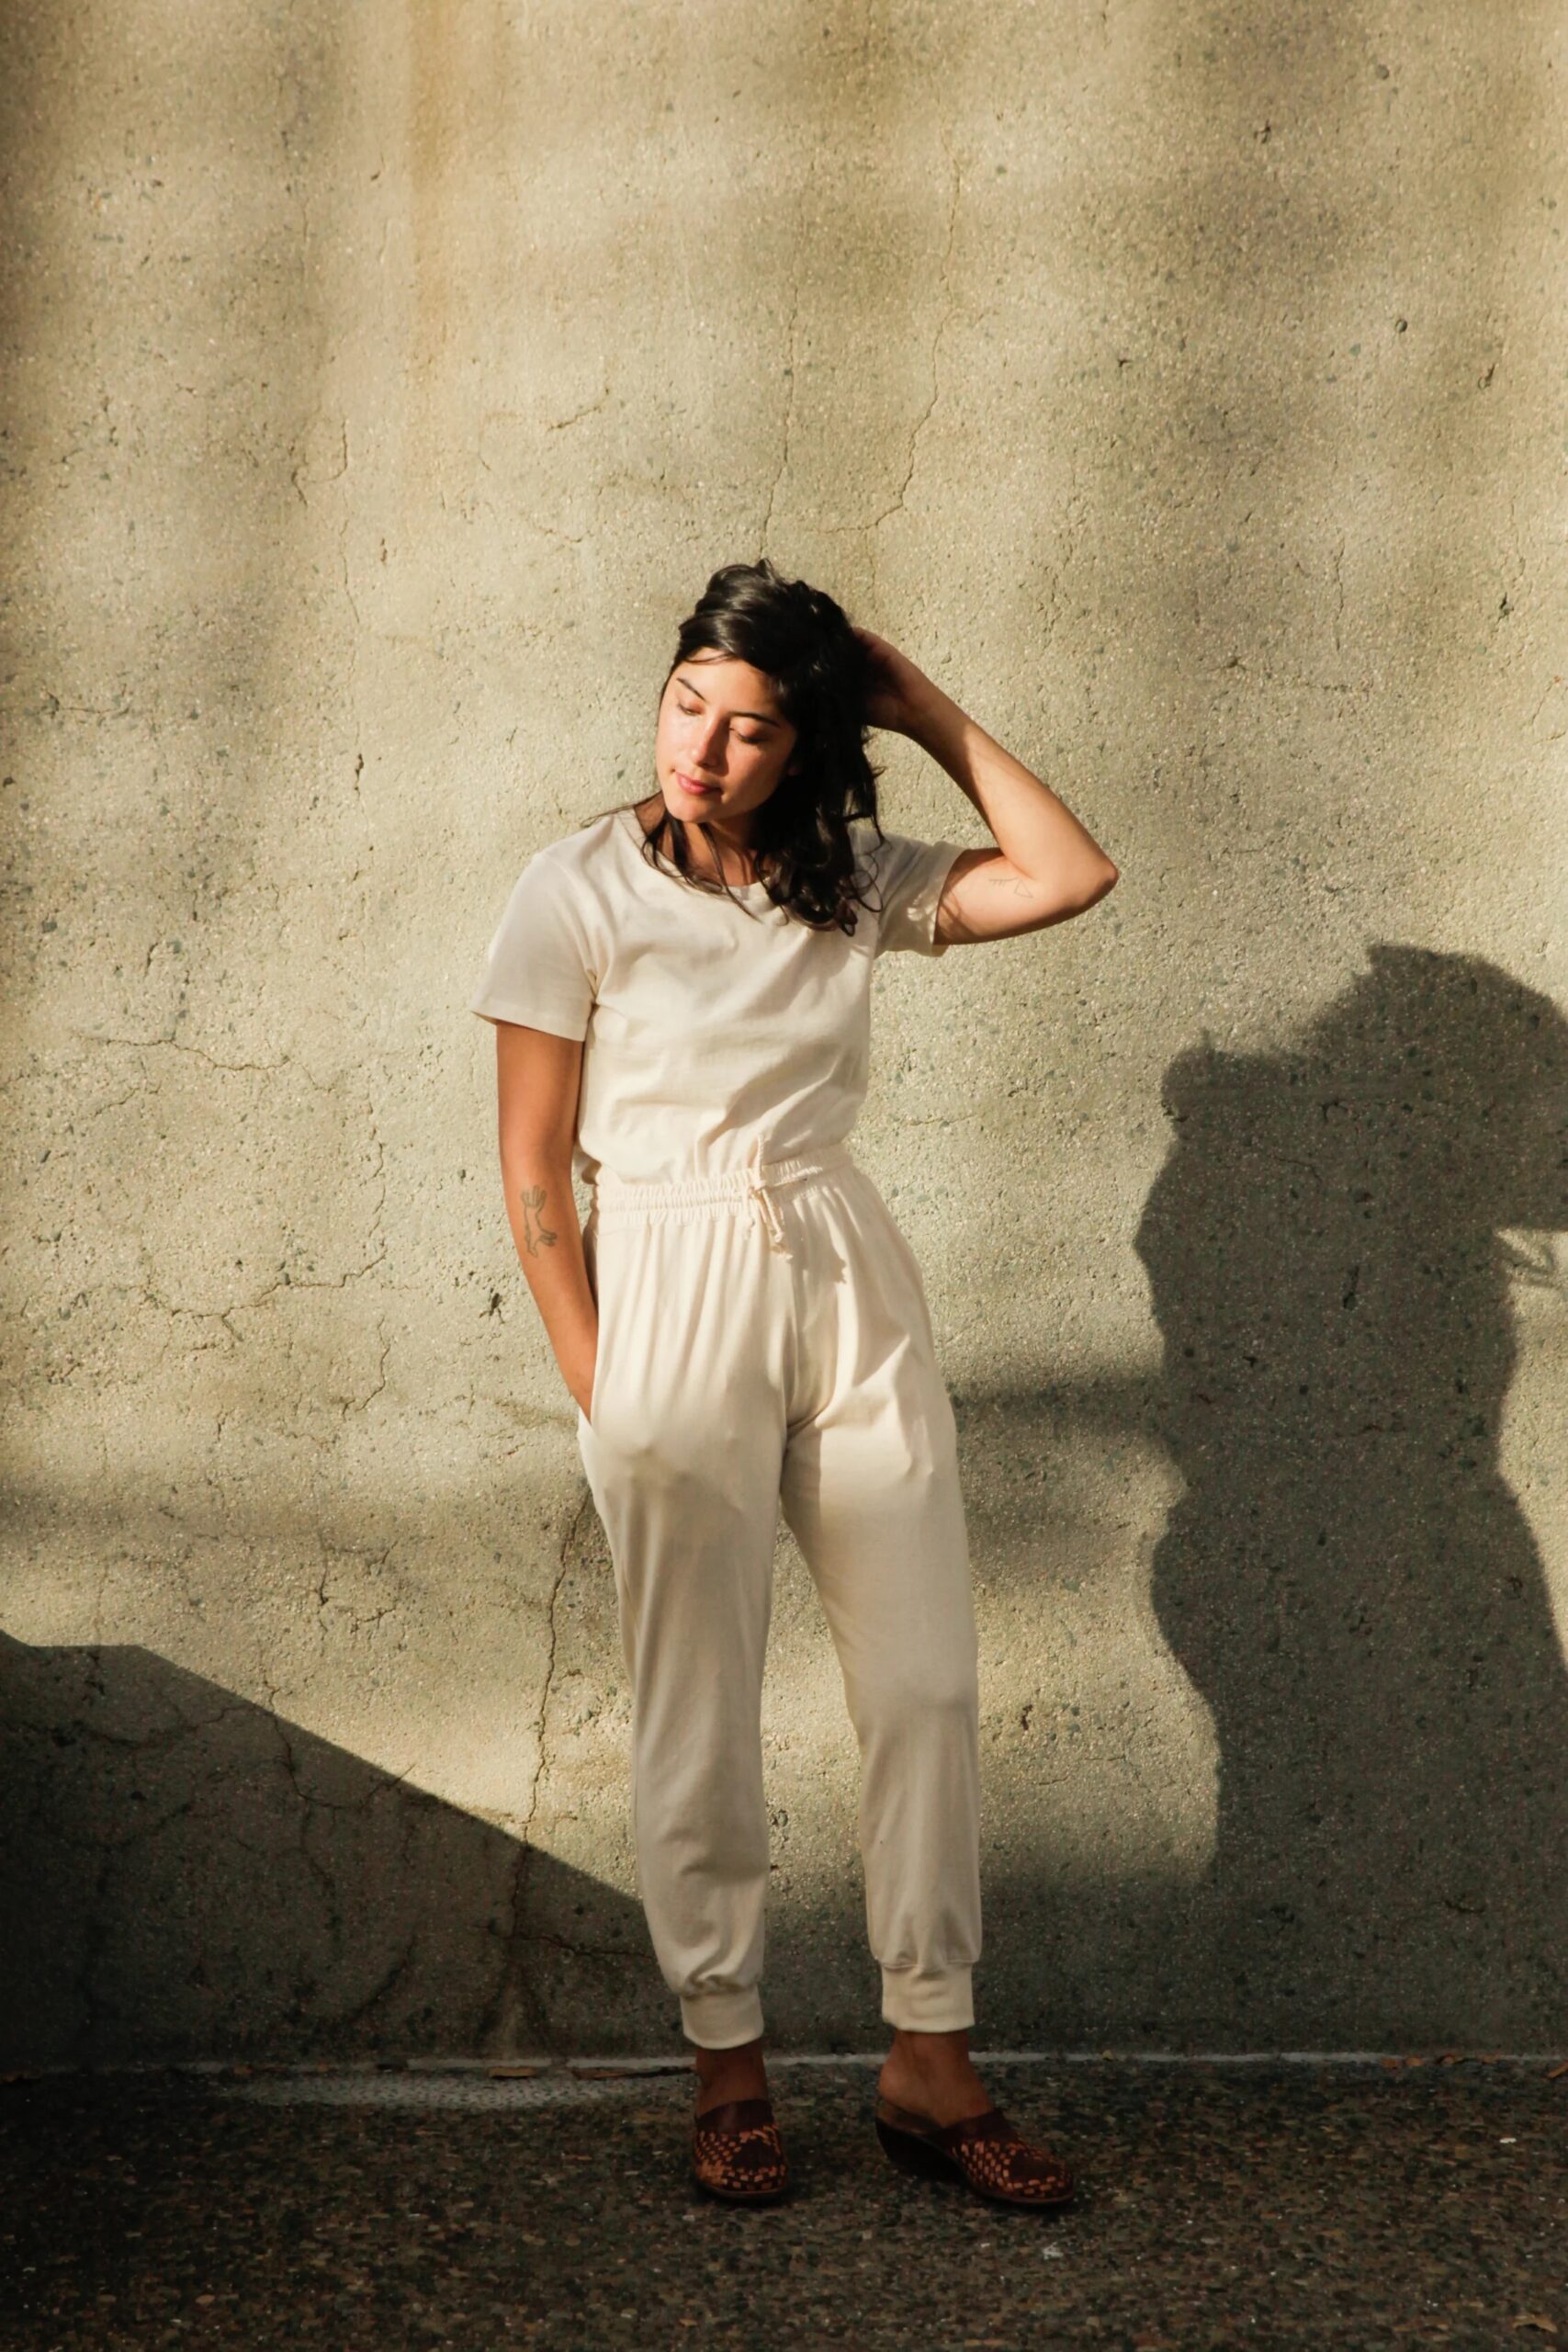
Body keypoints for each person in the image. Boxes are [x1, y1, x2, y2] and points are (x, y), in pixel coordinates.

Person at [469, 559, 1119, 2209]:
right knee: (700, 1699)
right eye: (688, 702)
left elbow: (1070, 874)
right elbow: (533, 1166)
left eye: (752, 728)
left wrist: (926, 709)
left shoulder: (847, 882)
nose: (702, 748)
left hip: (845, 1263)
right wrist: (603, 1379)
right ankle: (729, 2063)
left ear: (808, 746)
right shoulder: (575, 889)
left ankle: (929, 2062)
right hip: (665, 1274)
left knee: (928, 1682)